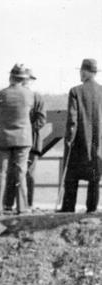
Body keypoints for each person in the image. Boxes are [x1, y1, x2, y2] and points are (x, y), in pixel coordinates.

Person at [0, 64, 35, 216]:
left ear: (10, 77)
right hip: (23, 138)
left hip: (4, 138)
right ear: (23, 79)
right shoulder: (29, 95)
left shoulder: (1, 94)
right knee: (21, 173)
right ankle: (22, 208)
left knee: (1, 173)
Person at [60, 58, 102, 213]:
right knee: (94, 177)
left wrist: (69, 140)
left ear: (84, 72)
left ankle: (68, 208)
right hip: (97, 144)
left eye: (80, 71)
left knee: (71, 177)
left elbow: (72, 120)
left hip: (79, 143)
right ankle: (91, 209)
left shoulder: (75, 91)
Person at [5, 67, 46, 210]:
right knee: (11, 172)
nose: (25, 82)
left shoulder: (37, 97)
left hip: (32, 142)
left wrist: (26, 130)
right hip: (16, 141)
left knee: (29, 174)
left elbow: (41, 119)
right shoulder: (15, 96)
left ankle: (27, 203)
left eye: (28, 80)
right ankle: (8, 204)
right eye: (23, 80)